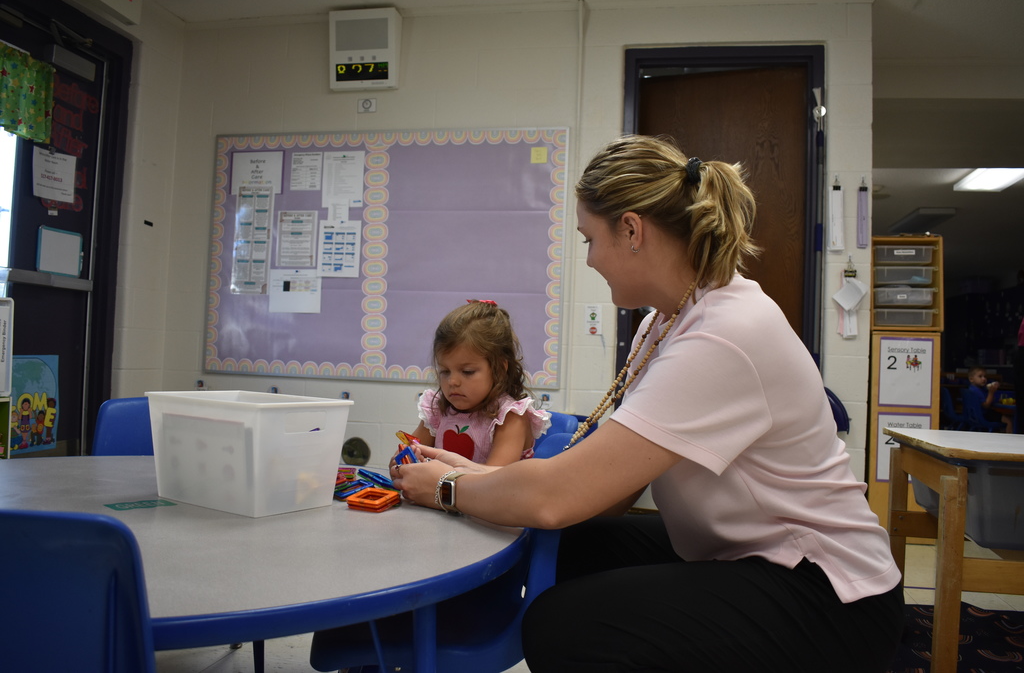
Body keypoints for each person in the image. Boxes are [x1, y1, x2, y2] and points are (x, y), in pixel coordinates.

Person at [391, 135, 904, 673]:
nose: (589, 260)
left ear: (632, 230)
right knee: (565, 547)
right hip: (743, 554)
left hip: (831, 593)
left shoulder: (724, 335)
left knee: (563, 625)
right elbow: (602, 493)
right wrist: (476, 476)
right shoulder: (661, 324)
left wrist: (449, 488)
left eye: (591, 239)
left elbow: (557, 496)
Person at [405, 299, 551, 466]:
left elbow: (492, 482)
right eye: (445, 371)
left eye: (467, 372)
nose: (452, 381)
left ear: (499, 369)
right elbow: (409, 458)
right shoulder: (438, 409)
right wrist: (402, 462)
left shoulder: (510, 418)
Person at [966, 365, 1012, 433]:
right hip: (984, 416)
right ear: (971, 379)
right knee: (1009, 421)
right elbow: (986, 405)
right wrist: (991, 393)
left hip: (974, 417)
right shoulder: (976, 391)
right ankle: (1010, 440)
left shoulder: (973, 389)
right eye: (980, 376)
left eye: (985, 376)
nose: (984, 379)